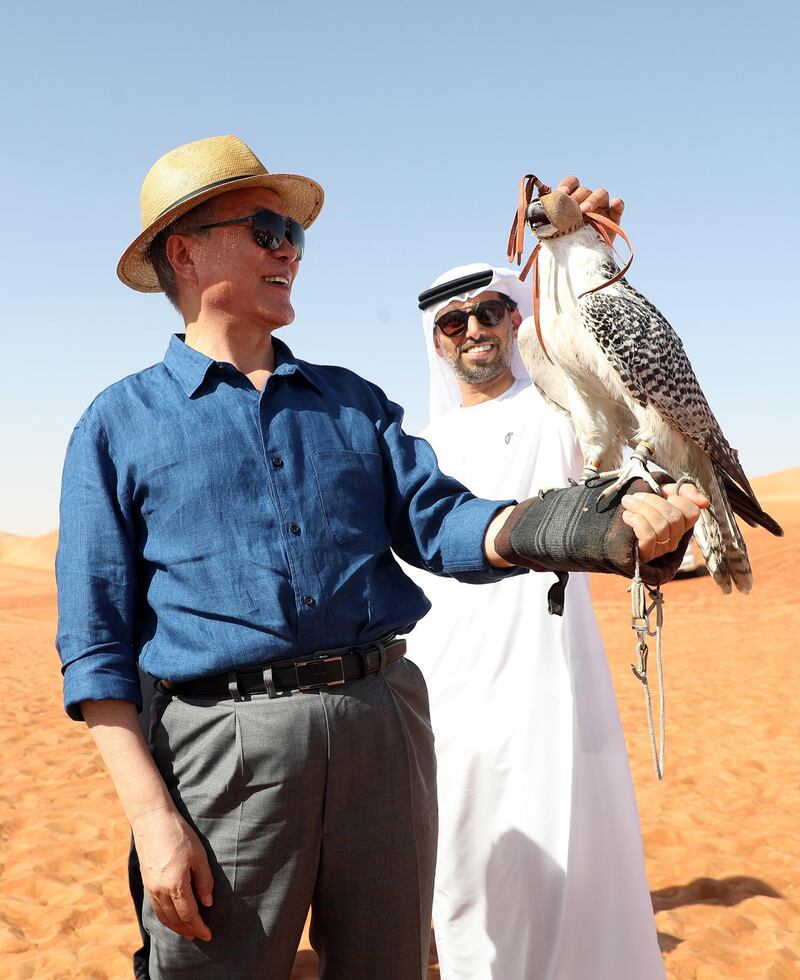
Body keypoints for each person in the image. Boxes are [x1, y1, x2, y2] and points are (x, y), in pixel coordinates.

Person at [55, 135, 704, 980]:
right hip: (225, 750)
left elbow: (443, 523)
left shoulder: (352, 405)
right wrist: (151, 818)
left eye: (294, 233)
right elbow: (96, 649)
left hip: (384, 731)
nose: (287, 247)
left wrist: (585, 531)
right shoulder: (119, 424)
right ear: (184, 251)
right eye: (262, 228)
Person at [407, 249, 670, 979]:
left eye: (488, 312)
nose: (471, 331)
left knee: (573, 872)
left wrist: (584, 251)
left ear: (517, 318)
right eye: (452, 321)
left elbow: (621, 390)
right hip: (443, 700)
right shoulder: (417, 449)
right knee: (466, 888)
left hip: (545, 686)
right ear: (436, 338)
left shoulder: (560, 414)